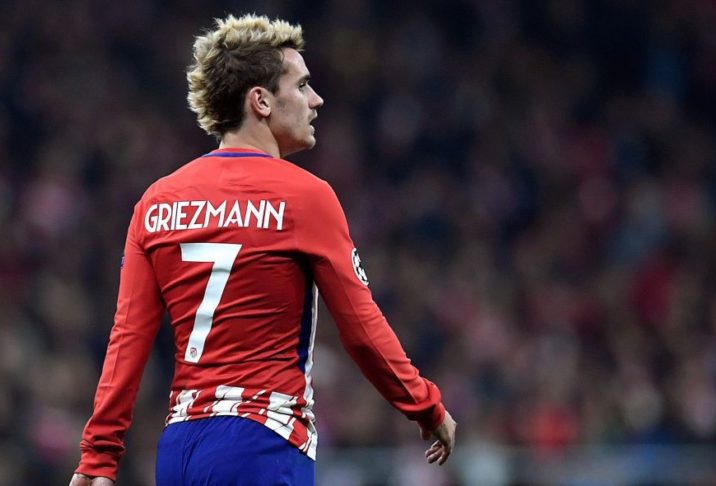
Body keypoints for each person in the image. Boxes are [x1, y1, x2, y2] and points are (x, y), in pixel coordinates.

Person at [70, 13, 456, 486]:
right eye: (303, 85)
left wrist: (98, 456)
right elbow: (362, 331)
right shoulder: (305, 197)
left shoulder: (155, 203)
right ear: (262, 100)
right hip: (263, 440)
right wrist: (426, 406)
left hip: (178, 447)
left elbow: (128, 337)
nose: (316, 100)